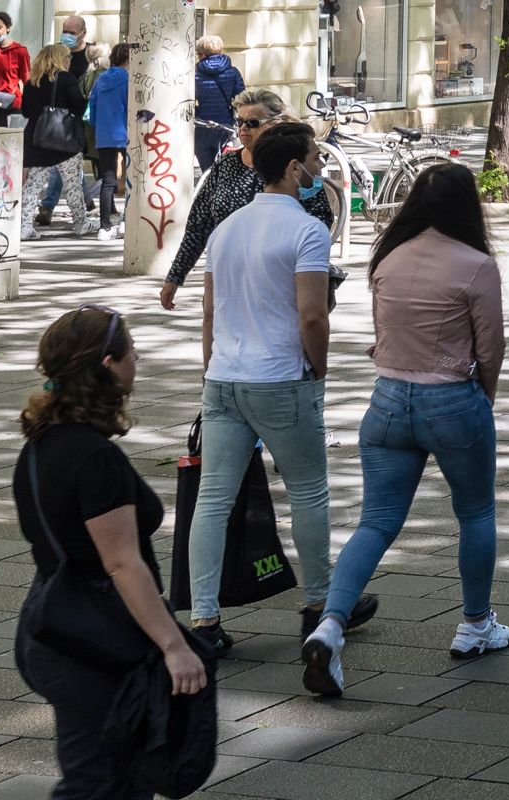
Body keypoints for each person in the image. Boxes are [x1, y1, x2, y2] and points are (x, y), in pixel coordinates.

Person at [300, 162, 509, 697]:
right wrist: (483, 397)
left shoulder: (387, 259)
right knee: (476, 511)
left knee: (375, 524)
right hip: (452, 399)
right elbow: (490, 346)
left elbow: (383, 331)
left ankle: (330, 623)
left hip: (388, 400)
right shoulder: (477, 265)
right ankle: (476, 623)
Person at [188, 121, 364, 656]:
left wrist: (211, 368)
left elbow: (210, 312)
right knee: (308, 492)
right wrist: (320, 370)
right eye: (313, 160)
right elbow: (312, 314)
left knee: (213, 499)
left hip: (224, 377)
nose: (317, 170)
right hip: (282, 378)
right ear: (293, 168)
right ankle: (319, 604)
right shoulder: (307, 231)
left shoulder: (227, 228)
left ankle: (204, 619)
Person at [15, 307, 198, 800]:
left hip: (51, 618)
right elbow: (121, 563)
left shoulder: (40, 443)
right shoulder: (94, 458)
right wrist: (174, 646)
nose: (137, 362)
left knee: (120, 776)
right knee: (98, 783)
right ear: (109, 364)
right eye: (132, 353)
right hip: (90, 639)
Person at [159, 90, 321, 310]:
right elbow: (198, 226)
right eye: (239, 121)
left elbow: (321, 220)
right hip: (227, 281)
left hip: (278, 285)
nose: (243, 128)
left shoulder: (295, 168)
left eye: (253, 122)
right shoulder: (225, 165)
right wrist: (175, 277)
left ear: (277, 123)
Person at [20, 40, 97, 239]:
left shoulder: (31, 82)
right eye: (67, 57)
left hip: (36, 140)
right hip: (64, 142)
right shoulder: (65, 79)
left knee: (32, 186)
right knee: (72, 184)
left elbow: (26, 112)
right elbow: (79, 107)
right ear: (58, 59)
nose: (70, 60)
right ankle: (81, 222)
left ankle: (24, 226)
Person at [85, 41, 130, 229]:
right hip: (127, 133)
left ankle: (105, 225)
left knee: (108, 180)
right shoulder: (130, 79)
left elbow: (91, 110)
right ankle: (130, 219)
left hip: (104, 135)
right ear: (129, 59)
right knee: (133, 179)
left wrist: (100, 127)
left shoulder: (101, 79)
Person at [189, 35, 242, 169]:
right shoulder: (233, 73)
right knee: (225, 167)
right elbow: (241, 99)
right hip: (226, 126)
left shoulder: (194, 75)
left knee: (207, 170)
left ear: (201, 54)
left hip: (202, 127)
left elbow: (189, 99)